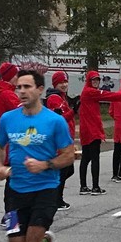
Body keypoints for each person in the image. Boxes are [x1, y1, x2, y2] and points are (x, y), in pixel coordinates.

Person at [0, 70, 74, 242]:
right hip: (15, 192)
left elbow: (68, 155)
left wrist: (45, 165)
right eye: (19, 87)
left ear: (40, 89)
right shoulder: (8, 119)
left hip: (45, 191)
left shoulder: (54, 121)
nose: (22, 91)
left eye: (27, 87)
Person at [77, 71, 121, 195]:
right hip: (92, 130)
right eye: (93, 80)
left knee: (86, 158)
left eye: (97, 79)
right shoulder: (90, 92)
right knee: (94, 158)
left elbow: (111, 107)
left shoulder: (88, 92)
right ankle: (95, 187)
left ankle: (83, 186)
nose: (96, 82)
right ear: (89, 81)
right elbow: (110, 96)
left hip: (87, 128)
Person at [0, 63, 22, 225]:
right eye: (16, 75)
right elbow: (23, 112)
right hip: (11, 143)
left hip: (3, 141)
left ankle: (11, 213)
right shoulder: (7, 95)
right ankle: (10, 214)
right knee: (14, 182)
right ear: (11, 76)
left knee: (12, 180)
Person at [45, 71, 76, 210]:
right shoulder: (54, 98)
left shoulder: (62, 97)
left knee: (68, 170)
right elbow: (59, 120)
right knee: (63, 171)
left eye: (65, 82)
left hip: (66, 139)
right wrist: (74, 111)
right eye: (60, 83)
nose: (64, 85)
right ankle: (56, 199)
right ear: (55, 84)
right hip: (59, 142)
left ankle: (54, 196)